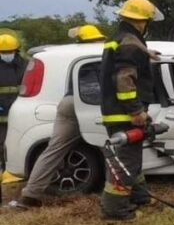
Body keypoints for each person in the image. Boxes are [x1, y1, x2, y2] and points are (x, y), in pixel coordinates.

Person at [10, 25, 106, 210]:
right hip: (91, 104)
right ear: (95, 39)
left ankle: (30, 196)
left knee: (54, 150)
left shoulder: (73, 55)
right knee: (114, 146)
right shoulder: (100, 54)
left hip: (68, 104)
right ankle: (123, 192)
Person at [100, 0, 163, 221]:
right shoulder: (129, 43)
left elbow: (125, 64)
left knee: (133, 159)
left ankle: (140, 197)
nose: (147, 25)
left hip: (116, 110)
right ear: (140, 21)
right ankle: (114, 211)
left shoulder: (122, 39)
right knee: (126, 161)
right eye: (147, 21)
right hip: (123, 113)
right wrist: (136, 111)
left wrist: (147, 54)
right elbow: (124, 80)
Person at [0, 33, 27, 181]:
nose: (6, 55)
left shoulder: (25, 65)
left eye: (9, 51)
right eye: (3, 52)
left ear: (16, 50)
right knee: (2, 144)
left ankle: (15, 172)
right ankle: (4, 172)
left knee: (18, 144)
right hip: (1, 116)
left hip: (20, 114)